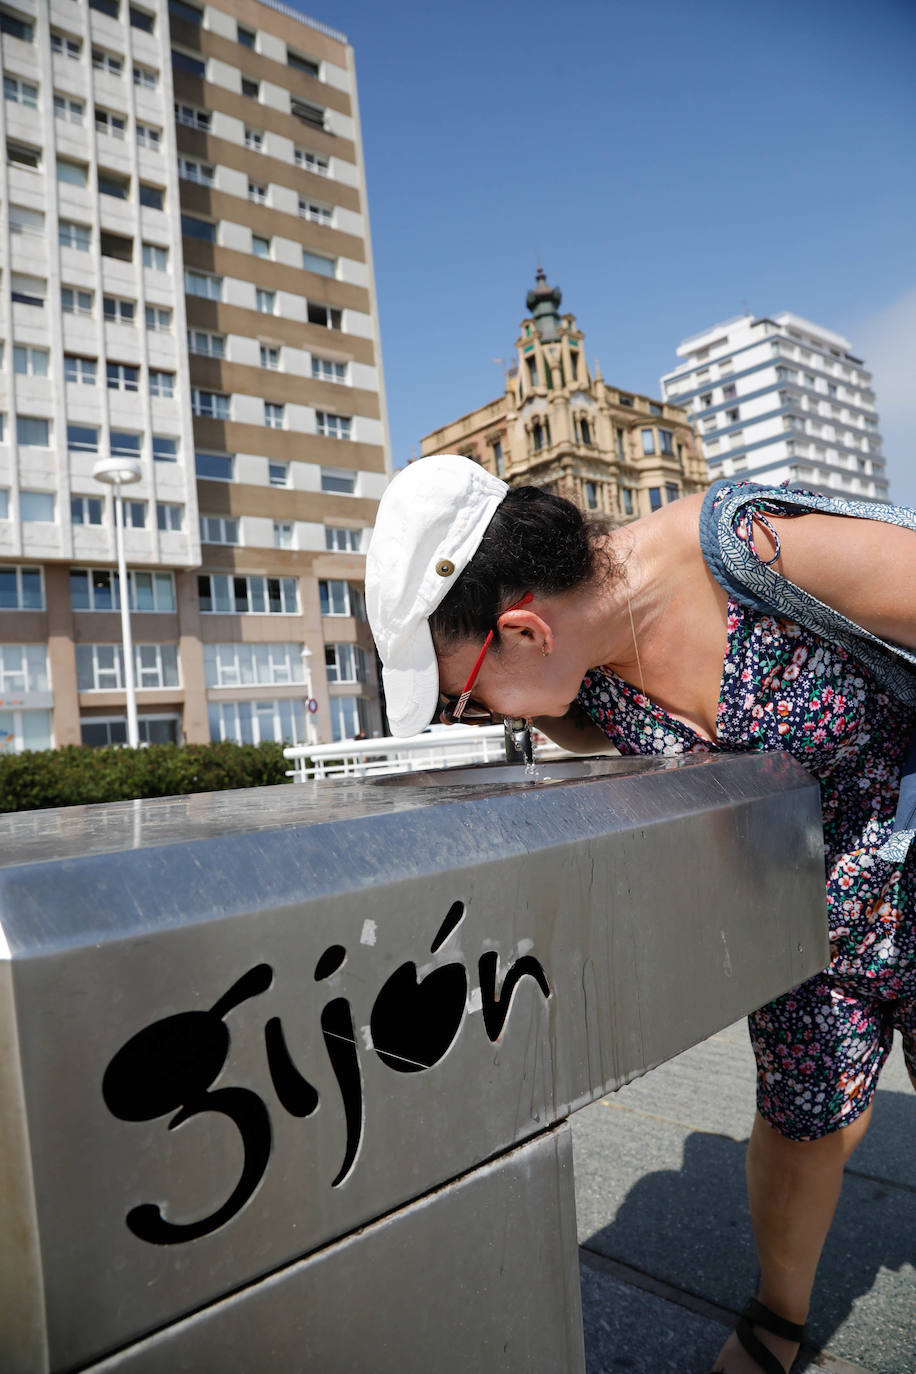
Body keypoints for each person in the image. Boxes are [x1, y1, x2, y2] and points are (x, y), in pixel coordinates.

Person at [366, 454, 916, 1374]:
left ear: (524, 629)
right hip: (805, 915)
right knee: (802, 1117)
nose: (480, 722)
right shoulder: (582, 684)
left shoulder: (747, 549)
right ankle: (777, 1319)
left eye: (466, 701)